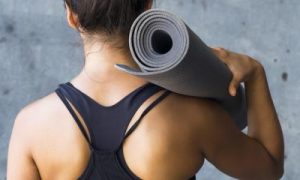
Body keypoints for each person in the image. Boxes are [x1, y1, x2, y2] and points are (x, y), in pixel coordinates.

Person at [7, 0, 284, 179]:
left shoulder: (31, 126)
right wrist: (256, 74)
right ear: (148, 6)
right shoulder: (192, 115)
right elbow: (269, 169)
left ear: (71, 15)